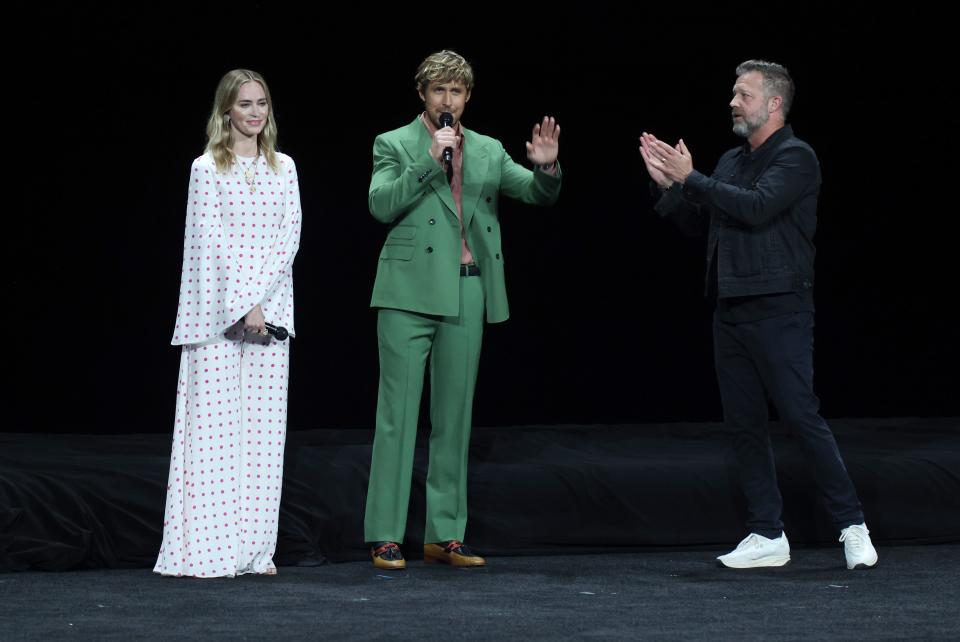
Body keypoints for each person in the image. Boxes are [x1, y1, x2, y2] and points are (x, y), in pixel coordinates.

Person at [640, 60, 878, 570]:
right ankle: (768, 533)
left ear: (773, 103)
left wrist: (693, 178)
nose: (732, 102)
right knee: (744, 424)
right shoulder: (729, 161)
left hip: (780, 308)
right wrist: (670, 188)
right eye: (733, 92)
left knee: (799, 416)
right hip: (731, 309)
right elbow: (698, 223)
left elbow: (756, 208)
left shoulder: (797, 157)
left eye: (742, 94)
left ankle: (852, 524)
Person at [364, 50, 562, 570]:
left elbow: (536, 194)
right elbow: (381, 204)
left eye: (455, 91)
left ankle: (444, 533)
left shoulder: (490, 150)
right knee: (398, 417)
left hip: (467, 290)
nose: (446, 100)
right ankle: (385, 534)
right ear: (422, 95)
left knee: (455, 418)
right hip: (407, 294)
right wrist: (431, 161)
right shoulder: (395, 142)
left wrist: (546, 170)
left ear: (467, 97)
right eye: (437, 91)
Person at [154, 69, 302, 577]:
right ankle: (209, 552)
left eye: (262, 102)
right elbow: (211, 244)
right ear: (226, 112)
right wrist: (244, 304)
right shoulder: (206, 169)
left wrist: (260, 302)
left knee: (262, 440)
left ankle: (256, 551)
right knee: (214, 439)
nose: (255, 112)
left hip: (271, 317)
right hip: (216, 320)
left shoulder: (285, 168)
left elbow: (290, 238)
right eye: (245, 104)